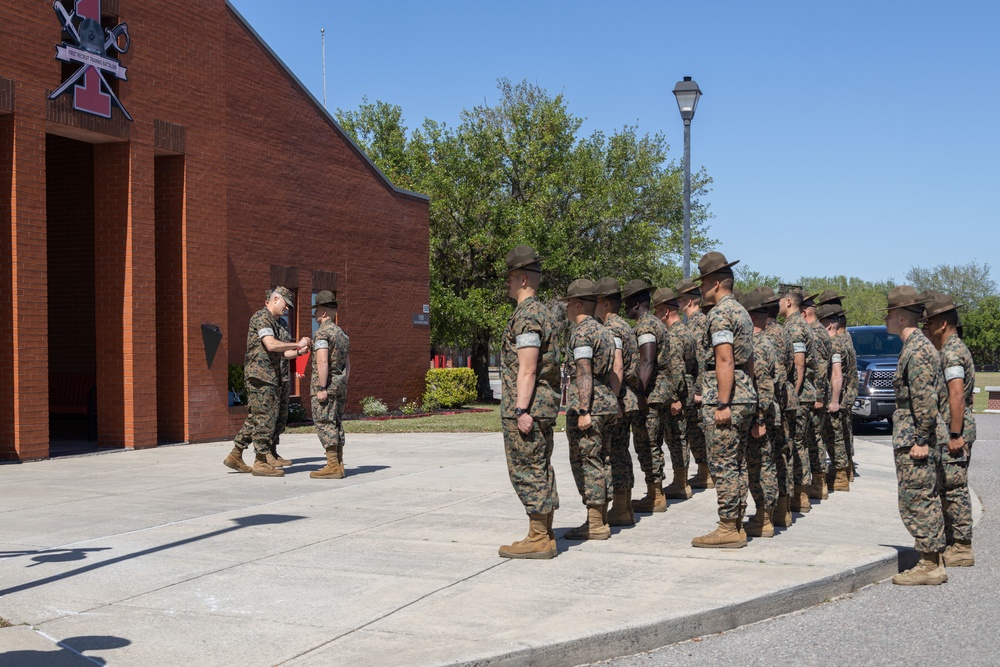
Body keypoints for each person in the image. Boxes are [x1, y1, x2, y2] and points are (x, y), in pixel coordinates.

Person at [497, 246, 561, 559]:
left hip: (529, 409)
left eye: (509, 278)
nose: (506, 284)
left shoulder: (528, 316)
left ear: (522, 279)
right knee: (539, 467)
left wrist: (521, 409)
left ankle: (538, 538)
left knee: (527, 470)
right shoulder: (542, 312)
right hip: (542, 407)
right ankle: (544, 533)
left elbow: (528, 367)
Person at [691, 252, 757, 549]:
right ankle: (736, 523)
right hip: (745, 393)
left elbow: (724, 359)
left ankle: (728, 527)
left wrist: (723, 403)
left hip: (729, 396)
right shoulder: (742, 312)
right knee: (737, 462)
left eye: (704, 282)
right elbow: (750, 362)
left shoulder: (719, 313)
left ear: (716, 283)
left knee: (724, 464)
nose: (701, 289)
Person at [885, 286, 948, 585]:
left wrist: (921, 440)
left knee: (918, 499)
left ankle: (929, 563)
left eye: (888, 313)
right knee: (921, 496)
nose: (886, 318)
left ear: (900, 317)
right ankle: (931, 556)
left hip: (915, 436)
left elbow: (924, 399)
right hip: (911, 433)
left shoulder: (918, 349)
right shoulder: (916, 347)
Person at [226, 287, 310, 477]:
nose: (287, 309)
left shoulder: (282, 324)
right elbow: (271, 345)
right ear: (275, 299)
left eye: (289, 306)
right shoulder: (261, 317)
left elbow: (284, 352)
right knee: (263, 418)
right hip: (261, 377)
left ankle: (236, 454)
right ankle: (261, 461)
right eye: (285, 304)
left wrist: (298, 353)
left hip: (275, 377)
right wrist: (298, 343)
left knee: (260, 417)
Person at [561, 279, 619, 540]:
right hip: (606, 401)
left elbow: (584, 371)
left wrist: (584, 410)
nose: (567, 309)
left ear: (577, 304)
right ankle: (601, 518)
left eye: (569, 304)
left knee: (588, 461)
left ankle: (595, 523)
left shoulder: (582, 332)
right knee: (603, 459)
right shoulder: (606, 331)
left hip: (591, 405)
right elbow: (615, 370)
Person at [921, 292, 975, 567]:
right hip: (953, 428)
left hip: (956, 429)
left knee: (954, 488)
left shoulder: (952, 352)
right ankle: (954, 542)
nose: (926, 329)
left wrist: (955, 435)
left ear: (942, 324)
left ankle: (962, 547)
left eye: (929, 323)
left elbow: (957, 395)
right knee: (948, 487)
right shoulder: (951, 348)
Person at [595, 277, 640, 527]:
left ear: (604, 303)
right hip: (627, 397)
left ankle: (621, 509)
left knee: (615, 455)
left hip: (619, 398)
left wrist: (613, 400)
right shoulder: (624, 325)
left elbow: (617, 365)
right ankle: (624, 507)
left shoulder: (612, 328)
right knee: (621, 452)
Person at [623, 279, 669, 513]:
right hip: (656, 394)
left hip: (649, 395)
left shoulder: (646, 326)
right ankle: (655, 491)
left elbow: (647, 361)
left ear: (638, 304)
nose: (625, 309)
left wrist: (640, 393)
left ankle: (655, 496)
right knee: (652, 443)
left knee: (647, 444)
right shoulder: (656, 323)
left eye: (628, 304)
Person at [652, 287, 698, 501]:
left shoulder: (675, 334)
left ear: (666, 311)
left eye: (657, 311)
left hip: (676, 394)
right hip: (685, 390)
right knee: (680, 437)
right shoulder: (686, 331)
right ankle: (682, 481)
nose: (655, 316)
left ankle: (681, 483)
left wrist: (676, 397)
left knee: (676, 439)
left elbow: (677, 369)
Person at [741, 290, 779, 538]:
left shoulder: (757, 344)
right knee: (762, 465)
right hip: (762, 413)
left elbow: (763, 385)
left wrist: (759, 419)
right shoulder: (767, 341)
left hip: (759, 416)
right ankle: (763, 517)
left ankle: (764, 520)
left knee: (761, 467)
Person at [778, 290, 819, 514]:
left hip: (799, 395)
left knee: (795, 444)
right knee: (799, 442)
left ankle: (799, 496)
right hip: (803, 394)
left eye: (780, 300)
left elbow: (799, 365)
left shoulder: (794, 326)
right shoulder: (799, 325)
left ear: (788, 302)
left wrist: (791, 394)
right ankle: (800, 494)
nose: (777, 304)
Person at [759, 287, 795, 527]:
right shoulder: (782, 332)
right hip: (783, 400)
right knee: (782, 456)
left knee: (768, 459)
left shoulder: (767, 336)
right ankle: (783, 511)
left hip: (772, 402)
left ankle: (771, 514)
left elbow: (773, 375)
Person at [310, 290, 351, 479]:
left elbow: (322, 362)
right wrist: (342, 382)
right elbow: (348, 363)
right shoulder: (342, 334)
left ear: (324, 312)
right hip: (340, 385)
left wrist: (322, 387)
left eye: (316, 310)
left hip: (327, 386)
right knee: (336, 423)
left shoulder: (322, 333)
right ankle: (339, 463)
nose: (315, 314)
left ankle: (332, 465)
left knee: (324, 422)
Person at [677, 279, 712, 489]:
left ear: (689, 301)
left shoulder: (698, 322)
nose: (678, 304)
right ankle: (703, 471)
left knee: (697, 430)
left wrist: (698, 390)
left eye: (680, 299)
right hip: (700, 383)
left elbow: (700, 358)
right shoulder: (694, 322)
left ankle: (705, 472)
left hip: (701, 386)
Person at [818, 304, 851, 492]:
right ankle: (840, 474)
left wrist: (834, 401)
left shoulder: (835, 344)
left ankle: (840, 476)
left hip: (833, 399)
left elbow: (837, 375)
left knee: (834, 438)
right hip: (835, 397)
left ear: (830, 325)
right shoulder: (841, 341)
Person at [802, 293, 831, 500]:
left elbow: (820, 367)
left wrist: (819, 396)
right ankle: (818, 483)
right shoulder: (818, 331)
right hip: (815, 392)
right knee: (813, 437)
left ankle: (818, 484)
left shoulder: (816, 332)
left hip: (814, 393)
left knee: (812, 438)